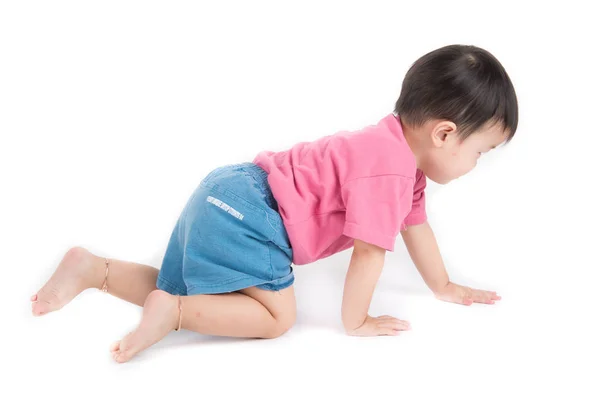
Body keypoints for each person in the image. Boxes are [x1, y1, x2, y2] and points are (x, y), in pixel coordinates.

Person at [31, 44, 518, 363]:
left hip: (229, 189)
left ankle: (95, 270)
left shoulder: (392, 152)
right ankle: (174, 314)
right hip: (256, 218)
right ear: (445, 133)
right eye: (480, 153)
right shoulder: (388, 168)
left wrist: (445, 286)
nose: (476, 165)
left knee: (182, 286)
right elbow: (370, 252)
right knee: (276, 318)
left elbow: (417, 226)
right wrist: (357, 321)